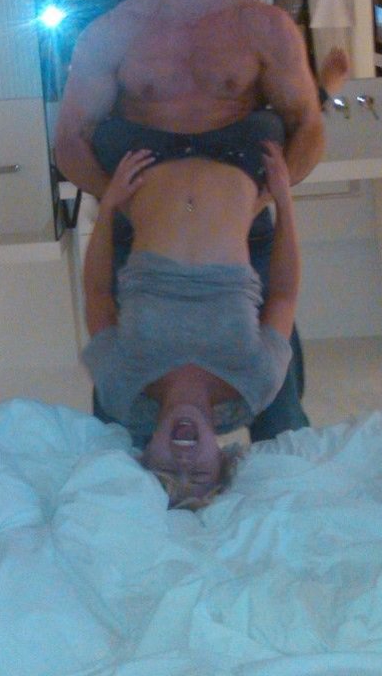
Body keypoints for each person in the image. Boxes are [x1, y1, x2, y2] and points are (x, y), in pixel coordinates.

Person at [55, 0, 325, 440]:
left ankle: (282, 488)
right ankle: (128, 490)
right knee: (122, 407)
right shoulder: (110, 33)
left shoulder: (265, 26)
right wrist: (122, 202)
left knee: (277, 407)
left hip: (241, 229)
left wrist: (263, 200)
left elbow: (307, 125)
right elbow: (70, 142)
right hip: (142, 233)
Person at [82, 140, 300, 507]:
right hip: (241, 159)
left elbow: (98, 294)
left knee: (73, 138)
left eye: (166, 470)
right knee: (305, 122)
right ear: (223, 459)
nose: (183, 461)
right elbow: (283, 296)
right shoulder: (257, 382)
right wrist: (283, 201)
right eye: (198, 474)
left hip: (145, 158)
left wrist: (108, 206)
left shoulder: (120, 386)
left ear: (146, 454)